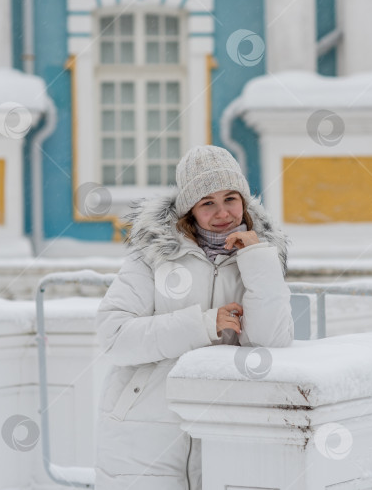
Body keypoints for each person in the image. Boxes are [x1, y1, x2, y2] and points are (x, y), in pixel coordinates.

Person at [93, 145, 294, 489]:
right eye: (207, 202)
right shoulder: (153, 256)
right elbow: (114, 338)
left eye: (231, 198)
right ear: (190, 210)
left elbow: (270, 342)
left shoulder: (259, 258)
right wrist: (202, 324)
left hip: (225, 432)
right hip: (143, 436)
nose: (223, 213)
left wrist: (258, 259)